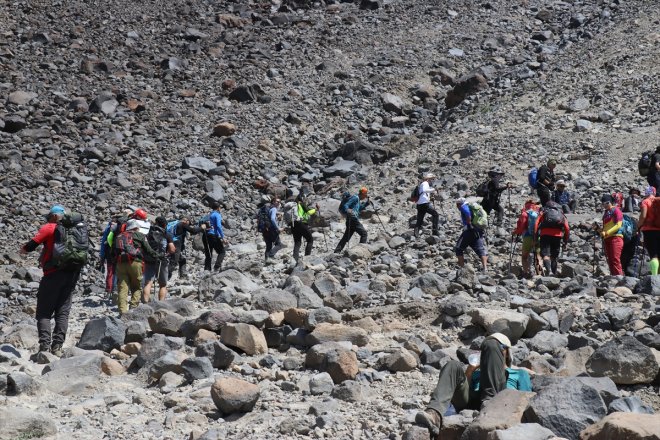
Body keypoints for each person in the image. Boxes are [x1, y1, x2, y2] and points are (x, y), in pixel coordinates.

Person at [415, 333, 532, 436]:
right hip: (474, 401)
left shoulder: (519, 373)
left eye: (498, 347)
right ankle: (434, 414)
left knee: (491, 343)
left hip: (500, 401)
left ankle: (489, 404)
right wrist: (470, 371)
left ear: (507, 353)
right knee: (452, 365)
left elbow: (526, 399)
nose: (490, 352)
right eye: (486, 350)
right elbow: (462, 391)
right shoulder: (477, 373)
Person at [20, 206, 83, 356]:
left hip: (53, 273)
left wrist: (22, 250)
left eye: (49, 216)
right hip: (72, 274)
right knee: (63, 312)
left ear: (55, 216)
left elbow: (31, 245)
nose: (48, 219)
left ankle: (44, 347)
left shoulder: (49, 227)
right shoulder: (74, 229)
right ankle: (57, 347)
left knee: (44, 312)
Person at [114, 219, 162, 316]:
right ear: (136, 228)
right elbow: (148, 249)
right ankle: (133, 309)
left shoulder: (119, 236)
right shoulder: (139, 235)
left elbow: (113, 252)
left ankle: (122, 312)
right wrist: (158, 256)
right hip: (135, 263)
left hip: (120, 263)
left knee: (123, 288)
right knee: (136, 287)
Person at [143, 217, 175, 302]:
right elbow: (172, 249)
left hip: (149, 259)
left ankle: (145, 303)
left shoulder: (148, 233)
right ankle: (161, 303)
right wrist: (166, 254)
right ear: (164, 225)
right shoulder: (167, 234)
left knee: (148, 282)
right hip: (162, 260)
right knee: (163, 284)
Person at [534, 200, 569, 276]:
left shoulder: (544, 211)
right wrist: (565, 241)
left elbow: (536, 223)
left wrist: (536, 236)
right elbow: (567, 228)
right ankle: (554, 273)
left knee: (545, 255)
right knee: (554, 256)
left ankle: (548, 271)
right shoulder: (560, 213)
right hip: (557, 236)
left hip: (545, 234)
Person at [455, 198, 488, 273]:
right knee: (480, 250)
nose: (457, 207)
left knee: (458, 249)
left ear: (459, 204)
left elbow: (467, 213)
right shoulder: (471, 207)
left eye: (457, 205)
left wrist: (469, 224)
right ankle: (485, 268)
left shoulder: (464, 207)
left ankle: (462, 269)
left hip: (469, 231)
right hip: (478, 231)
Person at [335, 187, 370, 253]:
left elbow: (358, 209)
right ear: (362, 194)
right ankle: (361, 251)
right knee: (364, 234)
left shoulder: (358, 199)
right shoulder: (355, 197)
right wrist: (347, 209)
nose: (365, 197)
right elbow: (346, 205)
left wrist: (366, 204)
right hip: (353, 219)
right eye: (365, 195)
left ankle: (337, 251)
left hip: (350, 220)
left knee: (345, 238)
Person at [512, 200, 541, 278]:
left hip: (528, 236)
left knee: (524, 257)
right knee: (537, 255)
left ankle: (526, 272)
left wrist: (515, 232)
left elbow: (521, 227)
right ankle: (540, 273)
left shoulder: (525, 213)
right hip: (538, 236)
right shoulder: (538, 213)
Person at [637, 186, 660, 275]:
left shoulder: (645, 201)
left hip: (649, 231)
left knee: (653, 254)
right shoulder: (658, 201)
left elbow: (643, 216)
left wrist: (638, 226)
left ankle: (654, 276)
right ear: (654, 193)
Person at [599, 194, 624, 276]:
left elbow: (618, 225)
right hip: (607, 238)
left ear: (610, 202)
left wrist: (607, 233)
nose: (604, 205)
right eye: (603, 204)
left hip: (616, 238)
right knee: (610, 260)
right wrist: (598, 230)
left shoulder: (616, 210)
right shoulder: (606, 213)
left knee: (615, 259)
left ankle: (619, 277)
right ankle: (613, 277)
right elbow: (605, 228)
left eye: (605, 203)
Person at [292, 192, 319, 265]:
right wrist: (316, 209)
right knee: (310, 240)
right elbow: (308, 212)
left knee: (297, 242)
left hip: (293, 225)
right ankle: (307, 257)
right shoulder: (301, 204)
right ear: (301, 199)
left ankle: (295, 258)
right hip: (302, 223)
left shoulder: (293, 206)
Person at [414, 173, 439, 237]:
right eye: (432, 179)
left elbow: (424, 194)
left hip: (420, 204)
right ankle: (435, 231)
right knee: (435, 214)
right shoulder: (425, 183)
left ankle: (416, 234)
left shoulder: (423, 184)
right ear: (428, 179)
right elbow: (425, 190)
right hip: (424, 204)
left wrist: (430, 197)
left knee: (419, 219)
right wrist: (433, 189)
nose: (432, 180)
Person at [205, 202, 228, 270]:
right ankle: (217, 267)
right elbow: (218, 226)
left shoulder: (209, 214)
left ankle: (207, 270)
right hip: (213, 235)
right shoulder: (217, 214)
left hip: (207, 235)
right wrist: (223, 236)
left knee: (209, 254)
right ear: (218, 208)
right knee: (222, 251)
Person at [98, 216, 118, 295]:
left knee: (110, 272)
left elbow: (103, 244)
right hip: (118, 253)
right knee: (116, 272)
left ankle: (108, 290)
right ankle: (115, 289)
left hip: (109, 253)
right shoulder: (120, 229)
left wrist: (102, 256)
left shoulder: (108, 229)